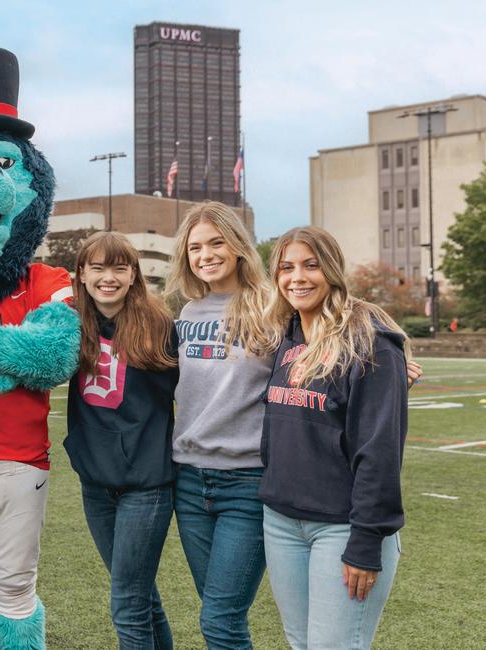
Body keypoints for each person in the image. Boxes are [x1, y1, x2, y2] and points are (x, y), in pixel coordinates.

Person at [260, 226, 408, 649]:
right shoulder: (287, 337)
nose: (298, 277)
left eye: (311, 265)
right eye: (286, 267)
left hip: (342, 529)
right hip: (282, 522)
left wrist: (366, 540)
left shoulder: (372, 343)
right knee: (302, 643)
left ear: (332, 270)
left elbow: (379, 451)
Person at [164, 202, 279, 650]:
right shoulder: (187, 313)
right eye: (195, 247)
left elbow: (337, 321)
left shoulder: (273, 306)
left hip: (248, 483)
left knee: (221, 620)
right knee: (218, 612)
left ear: (238, 246)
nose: (206, 254)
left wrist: (393, 352)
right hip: (189, 482)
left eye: (216, 243)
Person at [63, 232, 178, 649]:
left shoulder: (159, 325)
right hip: (96, 484)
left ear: (133, 275)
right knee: (142, 596)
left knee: (128, 602)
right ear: (82, 273)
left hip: (145, 487)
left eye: (118, 268)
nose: (107, 278)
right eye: (97, 267)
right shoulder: (70, 324)